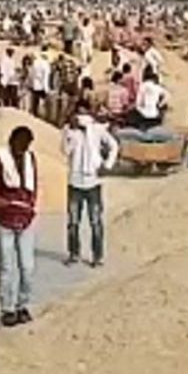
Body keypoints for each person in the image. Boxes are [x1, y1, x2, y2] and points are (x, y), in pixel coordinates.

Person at [0, 126, 38, 328]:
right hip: (5, 221)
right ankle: (7, 308)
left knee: (27, 267)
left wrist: (29, 206)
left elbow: (34, 189)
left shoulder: (30, 159)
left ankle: (22, 305)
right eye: (19, 145)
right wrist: (7, 204)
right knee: (6, 267)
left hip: (26, 220)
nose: (22, 149)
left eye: (25, 146)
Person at [61, 107, 120, 267]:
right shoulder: (69, 131)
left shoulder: (97, 130)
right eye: (79, 114)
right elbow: (65, 151)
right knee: (73, 222)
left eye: (84, 113)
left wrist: (107, 165)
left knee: (95, 222)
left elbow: (114, 146)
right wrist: (70, 134)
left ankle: (97, 256)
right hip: (75, 181)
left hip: (93, 182)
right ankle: (74, 253)